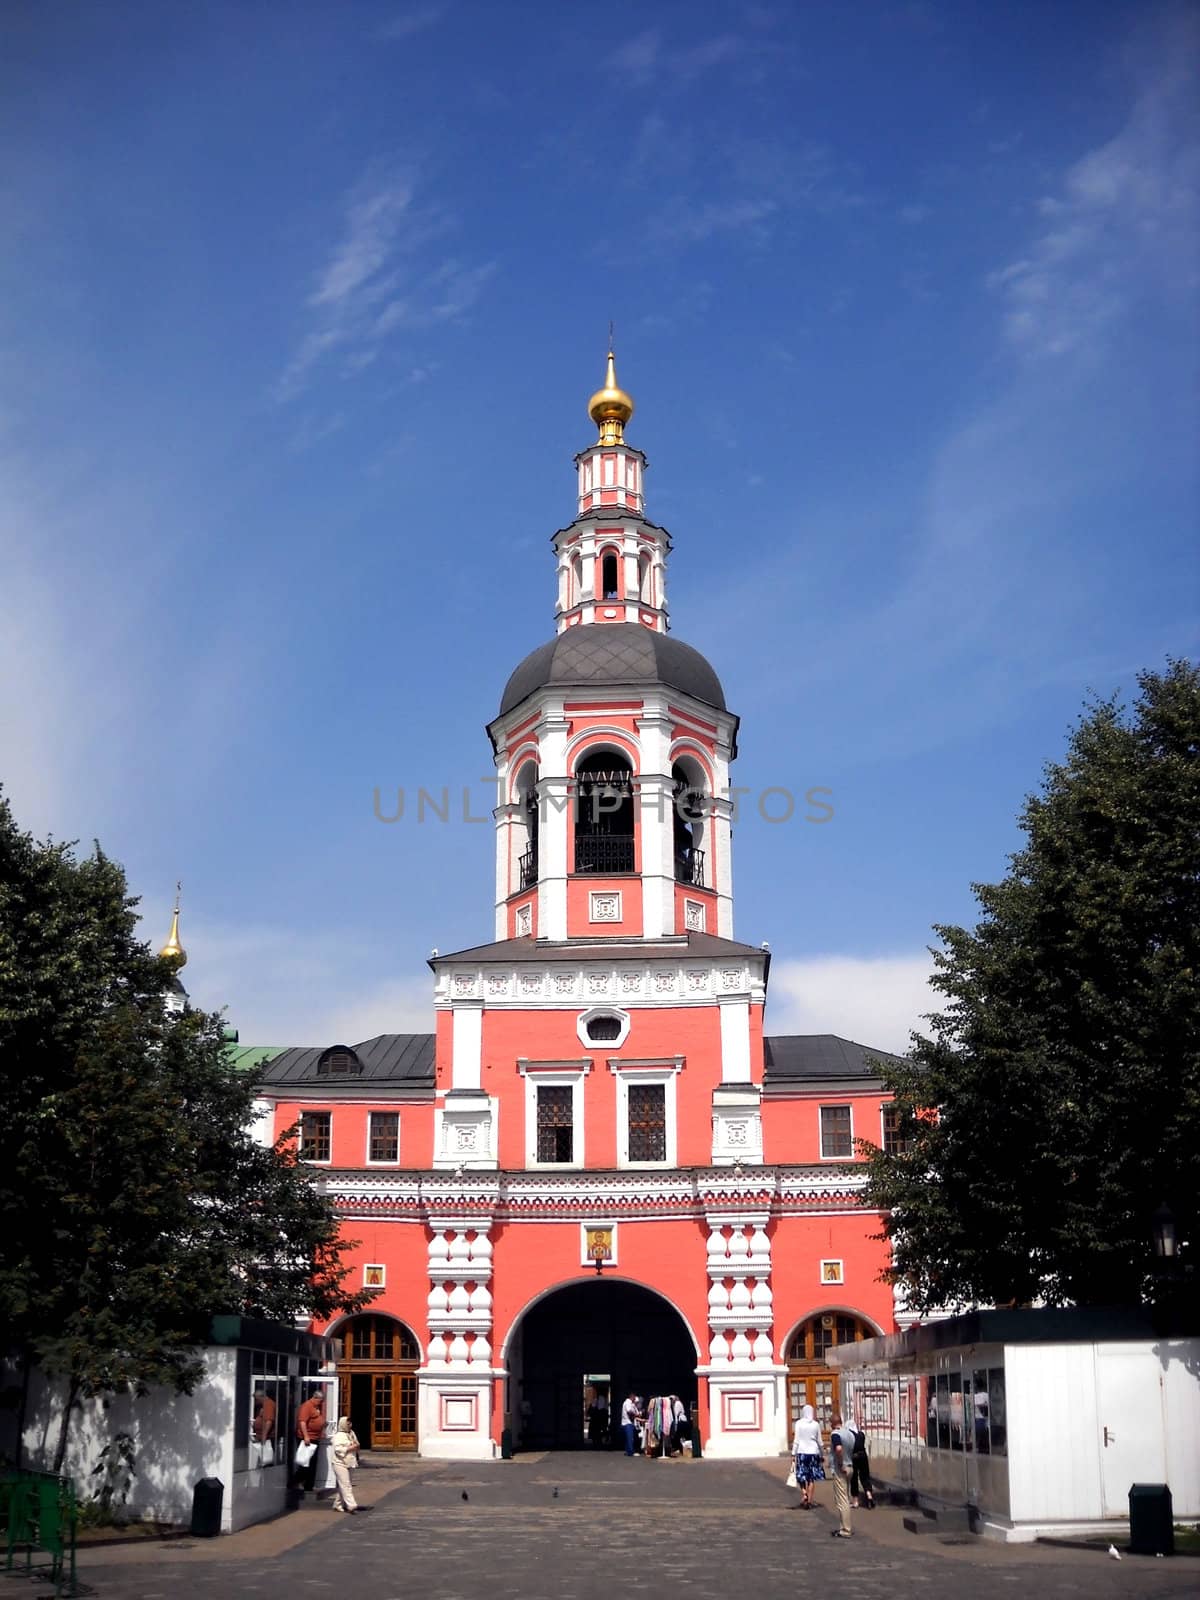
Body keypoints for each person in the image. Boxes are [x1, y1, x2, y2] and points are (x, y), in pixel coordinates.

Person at [791, 1403, 825, 1509]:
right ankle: (809, 1500)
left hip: (801, 1452)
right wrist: (822, 1453)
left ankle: (804, 1493)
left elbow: (796, 1440)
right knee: (811, 1478)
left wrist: (793, 1453)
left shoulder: (799, 1423)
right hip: (814, 1453)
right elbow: (820, 1441)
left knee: (801, 1475)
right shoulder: (815, 1424)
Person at [294, 1388, 325, 1494]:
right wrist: (306, 1436)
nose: (321, 1402)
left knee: (312, 1463)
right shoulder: (307, 1406)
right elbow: (302, 1422)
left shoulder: (316, 1407)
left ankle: (308, 1485)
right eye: (320, 1400)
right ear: (315, 1398)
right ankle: (296, 1482)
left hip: (315, 1438)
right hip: (308, 1439)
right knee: (305, 1462)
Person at [828, 1412, 853, 1537]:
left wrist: (840, 1463)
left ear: (832, 1423)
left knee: (842, 1500)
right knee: (846, 1498)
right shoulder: (849, 1433)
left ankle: (845, 1529)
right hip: (850, 1466)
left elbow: (838, 1448)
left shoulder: (835, 1434)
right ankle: (843, 1526)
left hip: (841, 1469)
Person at [330, 1415, 361, 1514]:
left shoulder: (351, 1433)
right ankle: (351, 1505)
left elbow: (356, 1443)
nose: (350, 1425)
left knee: (343, 1485)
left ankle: (337, 1504)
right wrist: (350, 1448)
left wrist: (356, 1447)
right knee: (346, 1484)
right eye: (348, 1423)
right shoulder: (338, 1436)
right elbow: (338, 1450)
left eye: (350, 1423)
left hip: (350, 1461)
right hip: (340, 1463)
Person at [849, 1420, 875, 1508]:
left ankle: (855, 1501)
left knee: (854, 1479)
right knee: (865, 1476)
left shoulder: (849, 1435)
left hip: (853, 1457)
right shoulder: (861, 1434)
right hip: (863, 1456)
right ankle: (869, 1495)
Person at [620, 1391, 639, 1457]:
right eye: (634, 1397)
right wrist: (635, 1414)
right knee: (630, 1438)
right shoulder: (628, 1402)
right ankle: (630, 1452)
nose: (635, 1399)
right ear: (632, 1396)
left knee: (628, 1438)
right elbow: (629, 1411)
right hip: (628, 1423)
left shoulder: (628, 1402)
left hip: (626, 1423)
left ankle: (628, 1451)